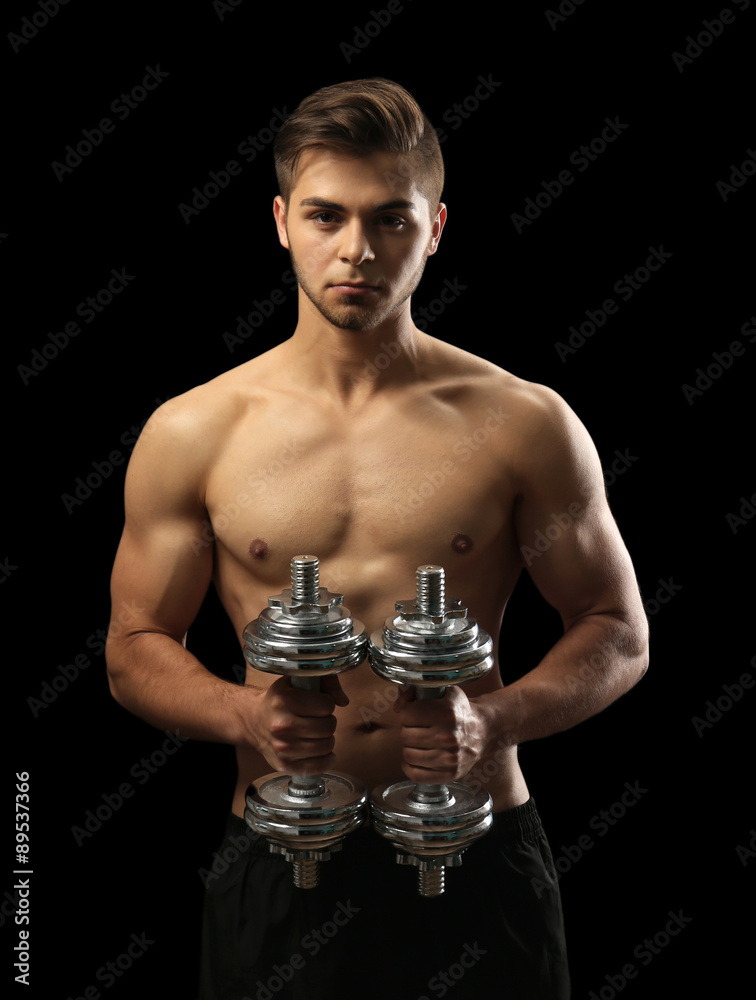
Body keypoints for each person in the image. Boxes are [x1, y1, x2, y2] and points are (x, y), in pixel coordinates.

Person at [105, 78, 648, 999]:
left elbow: (617, 628)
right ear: (281, 221)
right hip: (282, 860)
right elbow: (132, 649)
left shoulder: (523, 423)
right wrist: (245, 715)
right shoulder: (196, 431)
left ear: (436, 228)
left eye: (392, 220)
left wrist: (492, 719)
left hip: (476, 852)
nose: (357, 250)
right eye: (326, 216)